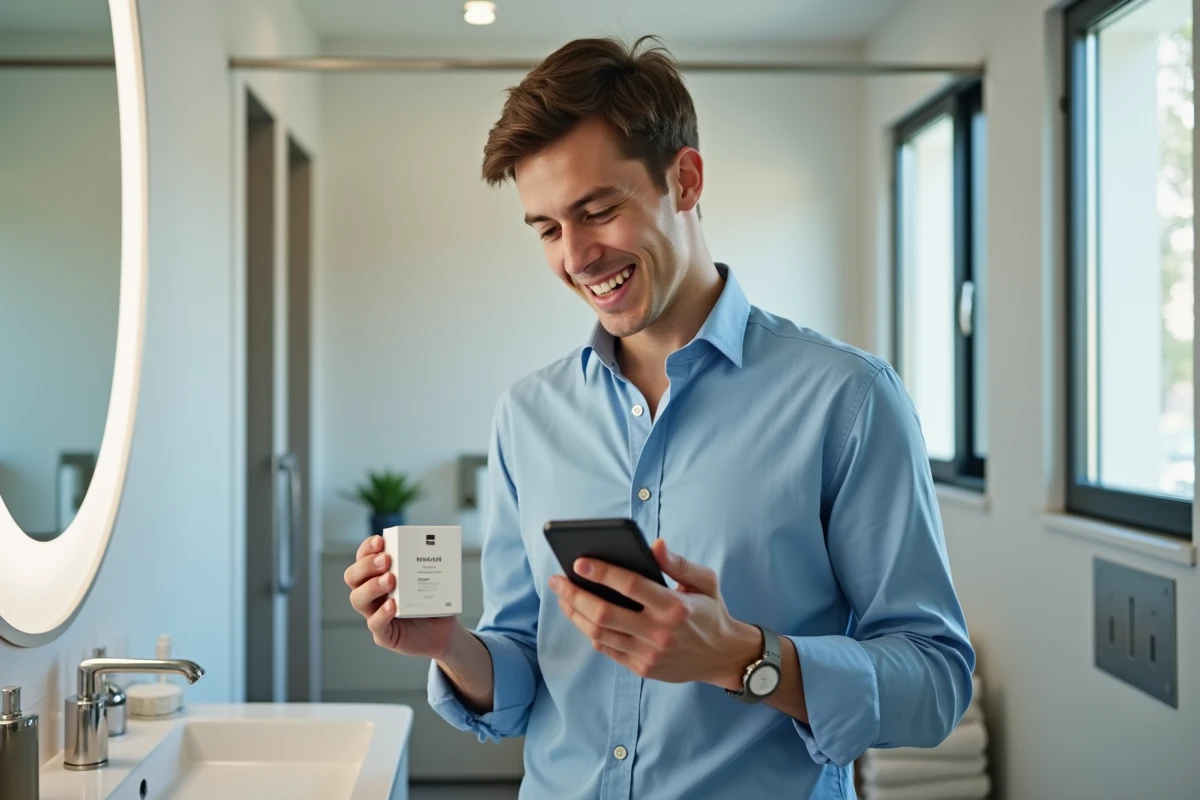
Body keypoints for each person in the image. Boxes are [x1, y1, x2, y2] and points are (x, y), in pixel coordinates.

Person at [345, 35, 974, 799]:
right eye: (546, 229)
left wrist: (740, 656)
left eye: (599, 210)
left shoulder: (847, 401)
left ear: (685, 179)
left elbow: (936, 683)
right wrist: (452, 648)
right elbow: (524, 671)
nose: (576, 255)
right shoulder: (528, 415)